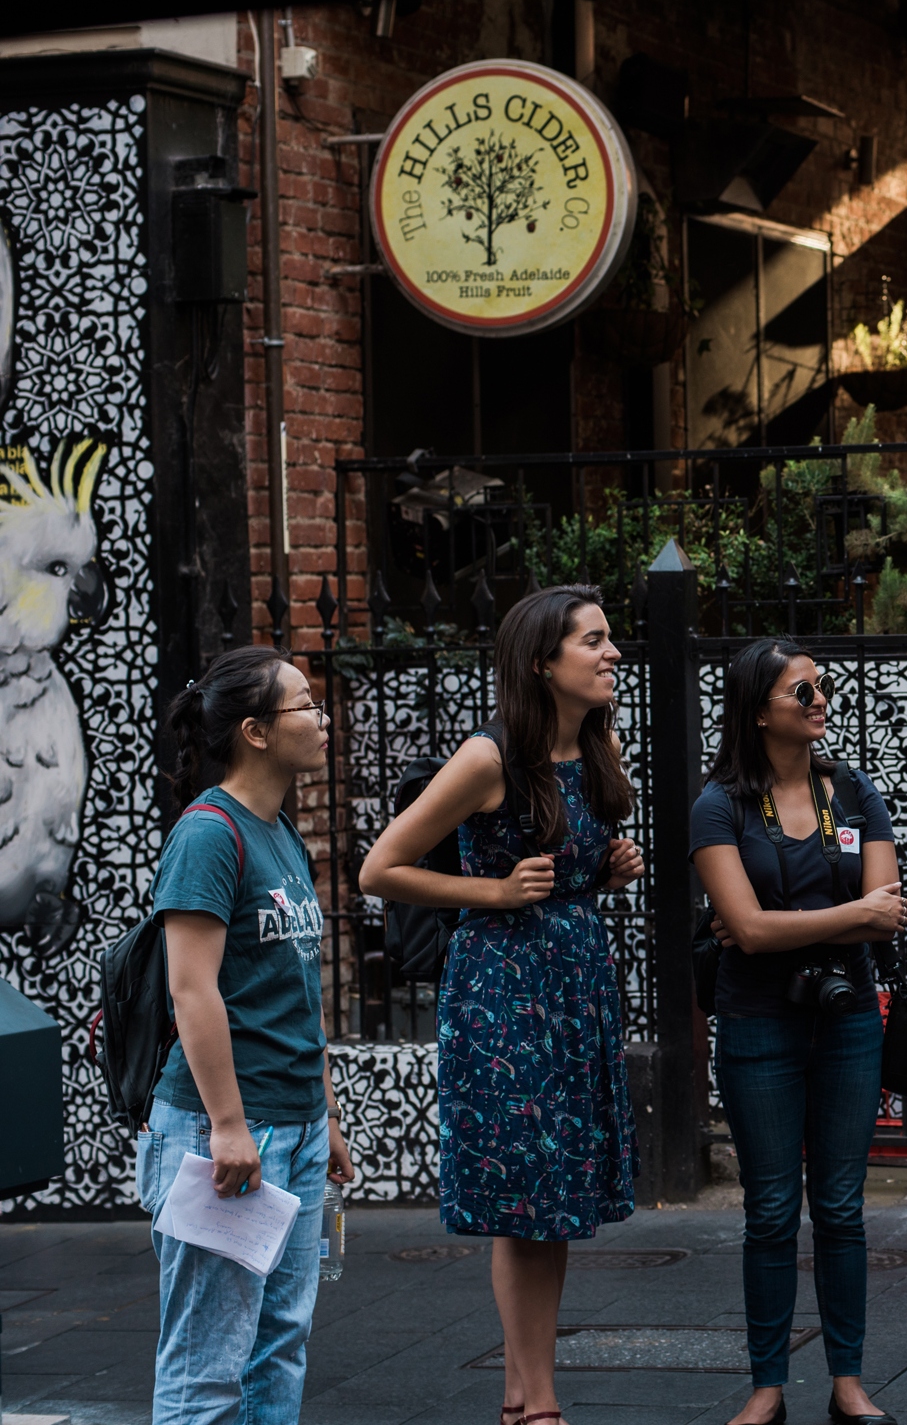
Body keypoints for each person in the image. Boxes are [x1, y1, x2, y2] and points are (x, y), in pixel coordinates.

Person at [360, 585, 644, 1425]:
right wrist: (490, 888)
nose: (612, 653)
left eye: (609, 639)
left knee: (552, 1194)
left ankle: (524, 1396)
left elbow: (565, 865)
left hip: (574, 983)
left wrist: (609, 868)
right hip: (502, 993)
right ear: (540, 661)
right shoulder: (488, 758)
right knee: (520, 1193)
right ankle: (539, 1401)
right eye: (592, 641)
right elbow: (381, 868)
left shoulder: (598, 746)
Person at [692, 638, 907, 1425]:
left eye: (820, 687)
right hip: (757, 1023)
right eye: (801, 691)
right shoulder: (719, 804)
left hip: (849, 1014)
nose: (819, 700)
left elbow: (890, 901)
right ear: (758, 711)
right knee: (773, 1209)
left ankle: (848, 1381)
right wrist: (845, 917)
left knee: (843, 1207)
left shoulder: (850, 790)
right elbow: (746, 930)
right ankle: (767, 1385)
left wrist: (799, 923)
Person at [140, 645, 356, 1425]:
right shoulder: (208, 833)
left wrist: (323, 1111)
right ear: (257, 730)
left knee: (278, 1345)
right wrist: (229, 1126)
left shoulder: (281, 832)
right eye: (306, 705)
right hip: (223, 1130)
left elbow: (296, 990)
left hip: (291, 1125)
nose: (323, 717)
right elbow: (191, 989)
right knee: (208, 1361)